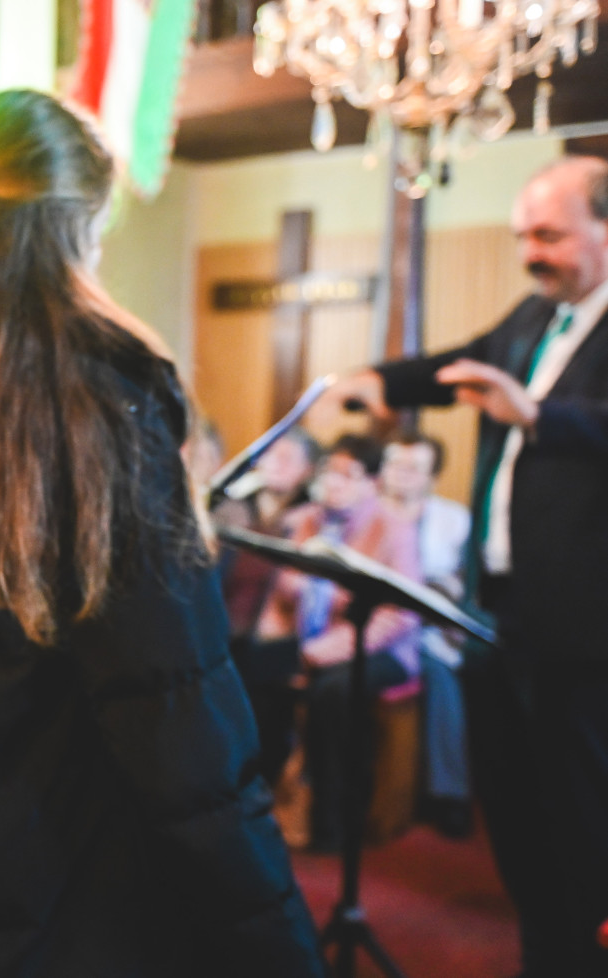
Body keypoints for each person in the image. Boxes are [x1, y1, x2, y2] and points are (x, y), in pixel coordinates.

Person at [0, 90, 321, 978]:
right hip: (52, 901)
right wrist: (280, 947)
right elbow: (176, 721)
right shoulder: (91, 412)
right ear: (73, 232)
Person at [330, 154, 608, 977]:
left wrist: (538, 415)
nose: (529, 253)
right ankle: (543, 955)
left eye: (547, 236)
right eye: (521, 235)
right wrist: (379, 379)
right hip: (497, 614)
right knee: (514, 812)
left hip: (584, 629)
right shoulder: (533, 316)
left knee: (581, 817)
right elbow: (458, 366)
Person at [255, 434, 422, 851]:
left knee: (333, 692)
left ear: (372, 483)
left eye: (349, 476)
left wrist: (324, 651)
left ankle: (333, 818)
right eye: (331, 471)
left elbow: (399, 615)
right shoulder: (304, 520)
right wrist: (275, 642)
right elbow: (277, 594)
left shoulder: (393, 528)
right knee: (255, 669)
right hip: (307, 639)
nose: (335, 483)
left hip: (378, 648)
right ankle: (262, 800)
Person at [379, 432, 473, 836]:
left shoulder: (454, 520)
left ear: (432, 477)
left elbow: (465, 581)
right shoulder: (366, 509)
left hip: (430, 629)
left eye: (414, 468)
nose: (402, 474)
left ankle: (449, 793)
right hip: (375, 622)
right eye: (394, 464)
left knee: (440, 674)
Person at [214, 427, 320, 786]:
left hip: (276, 638)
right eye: (271, 454)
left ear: (307, 470)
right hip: (225, 627)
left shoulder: (311, 518)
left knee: (267, 710)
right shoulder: (232, 507)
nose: (275, 463)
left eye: (288, 458)